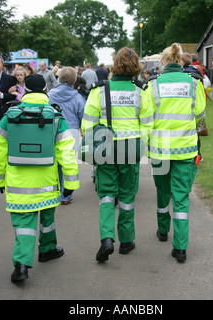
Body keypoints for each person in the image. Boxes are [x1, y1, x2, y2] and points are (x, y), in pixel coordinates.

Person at [0, 74, 79, 282]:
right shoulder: (55, 117)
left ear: (26, 91)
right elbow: (66, 152)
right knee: (47, 219)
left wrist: (1, 180)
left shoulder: (10, 114)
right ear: (46, 91)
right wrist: (70, 184)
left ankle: (21, 266)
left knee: (24, 224)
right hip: (46, 183)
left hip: (18, 183)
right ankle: (47, 250)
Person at [82, 47, 154, 262]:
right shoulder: (141, 91)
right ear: (136, 66)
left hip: (105, 147)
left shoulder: (99, 90)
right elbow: (148, 124)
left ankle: (106, 238)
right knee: (127, 196)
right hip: (131, 147)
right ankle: (126, 241)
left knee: (106, 194)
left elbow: (87, 124)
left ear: (115, 63)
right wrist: (139, 144)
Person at [145, 43, 206, 262]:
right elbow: (200, 115)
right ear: (180, 61)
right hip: (186, 148)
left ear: (162, 62)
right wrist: (199, 133)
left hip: (161, 150)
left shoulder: (152, 85)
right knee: (180, 197)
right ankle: (180, 247)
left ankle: (163, 231)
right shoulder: (194, 83)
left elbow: (146, 119)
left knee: (162, 191)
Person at [48, 67, 85, 205]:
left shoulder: (50, 94)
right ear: (74, 80)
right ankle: (66, 194)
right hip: (71, 132)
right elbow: (83, 116)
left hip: (53, 130)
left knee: (55, 163)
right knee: (68, 163)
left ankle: (55, 191)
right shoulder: (77, 97)